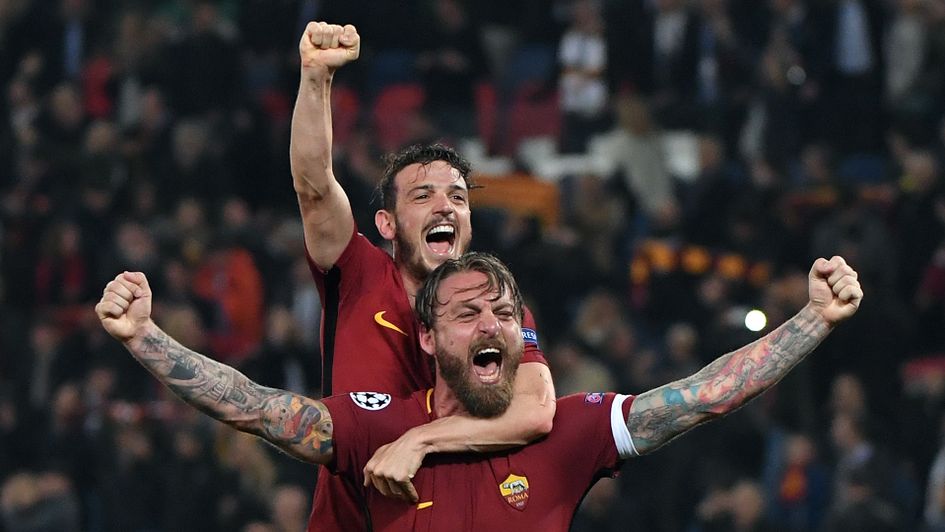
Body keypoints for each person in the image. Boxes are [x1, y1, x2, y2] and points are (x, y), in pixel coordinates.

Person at [95, 252, 863, 530]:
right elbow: (258, 409)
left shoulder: (567, 431)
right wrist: (144, 338)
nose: (490, 322)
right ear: (428, 339)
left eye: (502, 311)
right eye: (467, 313)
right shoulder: (377, 425)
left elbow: (701, 395)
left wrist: (813, 320)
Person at [289, 21, 556, 530]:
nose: (445, 206)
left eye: (457, 197)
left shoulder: (499, 309)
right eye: (422, 196)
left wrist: (419, 440)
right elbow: (314, 187)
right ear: (386, 225)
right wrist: (316, 78)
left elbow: (536, 411)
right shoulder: (360, 275)